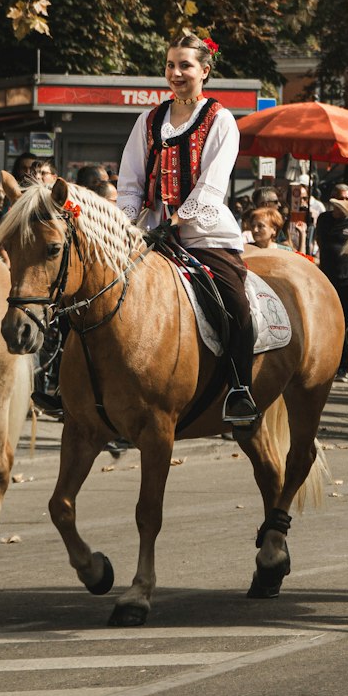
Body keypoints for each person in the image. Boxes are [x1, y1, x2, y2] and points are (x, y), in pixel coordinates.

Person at [117, 30, 258, 428]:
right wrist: (128, 226)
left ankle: (240, 388)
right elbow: (129, 181)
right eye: (170, 65)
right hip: (149, 234)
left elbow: (212, 185)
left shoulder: (221, 120)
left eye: (185, 65)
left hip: (203, 235)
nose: (175, 73)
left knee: (235, 304)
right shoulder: (148, 119)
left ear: (205, 71)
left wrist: (178, 221)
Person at [314, 184, 348, 381]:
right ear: (332, 200)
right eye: (341, 198)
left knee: (346, 324)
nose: (345, 202)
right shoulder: (323, 219)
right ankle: (325, 363)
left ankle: (343, 367)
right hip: (326, 280)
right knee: (325, 322)